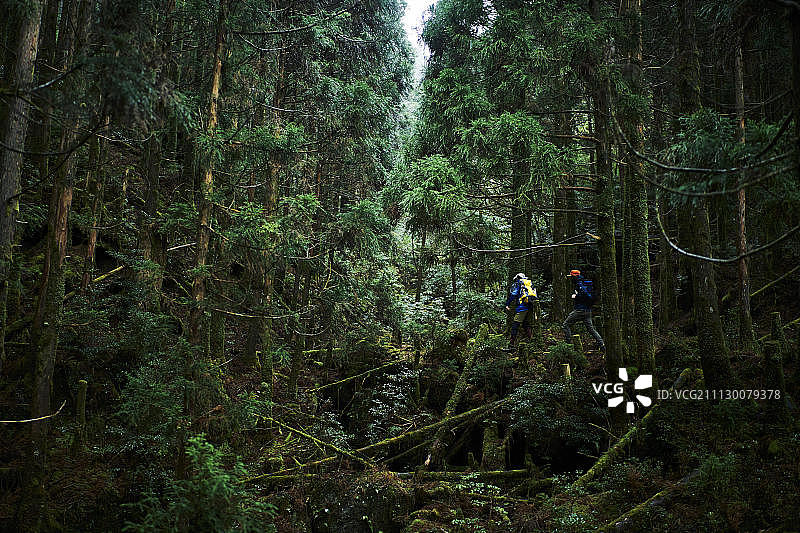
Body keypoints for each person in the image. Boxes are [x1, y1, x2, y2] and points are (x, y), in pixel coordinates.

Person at [562, 269, 605, 352]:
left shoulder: (580, 284)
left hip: (580, 310)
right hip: (587, 310)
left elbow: (586, 295)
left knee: (565, 324)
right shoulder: (582, 282)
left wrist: (576, 296)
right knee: (591, 329)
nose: (570, 279)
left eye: (571, 276)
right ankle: (601, 344)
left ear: (574, 276)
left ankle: (568, 346)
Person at [505, 273, 537, 351]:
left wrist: (507, 304)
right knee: (525, 324)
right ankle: (532, 342)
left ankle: (511, 345)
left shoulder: (518, 283)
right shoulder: (529, 283)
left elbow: (513, 294)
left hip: (522, 307)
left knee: (515, 325)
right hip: (530, 306)